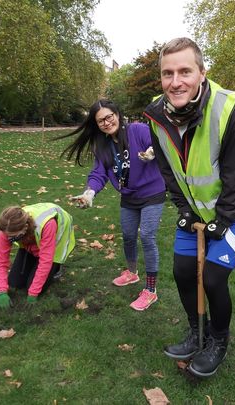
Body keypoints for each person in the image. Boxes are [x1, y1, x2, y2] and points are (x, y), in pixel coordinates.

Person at [144, 38, 235, 378]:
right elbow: (167, 169)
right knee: (181, 272)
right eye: (167, 73)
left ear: (202, 73)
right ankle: (198, 332)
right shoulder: (156, 115)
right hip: (194, 211)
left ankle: (218, 342)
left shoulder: (230, 112)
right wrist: (183, 207)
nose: (175, 81)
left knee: (212, 278)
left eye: (184, 71)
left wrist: (222, 221)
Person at [60, 99, 166, 311]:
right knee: (127, 235)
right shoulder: (103, 146)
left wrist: (153, 152)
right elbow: (99, 173)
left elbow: (160, 142)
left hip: (152, 192)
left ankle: (151, 290)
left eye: (109, 117)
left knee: (146, 236)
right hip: (128, 196)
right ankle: (132, 273)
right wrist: (89, 193)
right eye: (101, 121)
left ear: (117, 113)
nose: (107, 122)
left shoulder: (137, 130)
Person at [0, 203, 76, 308]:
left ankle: (56, 269)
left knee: (32, 287)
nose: (10, 239)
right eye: (8, 236)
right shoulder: (7, 228)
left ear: (25, 227)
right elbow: (0, 260)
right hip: (31, 239)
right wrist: (2, 292)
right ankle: (34, 257)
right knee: (14, 283)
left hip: (55, 240)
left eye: (14, 237)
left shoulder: (47, 224)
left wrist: (33, 294)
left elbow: (46, 261)